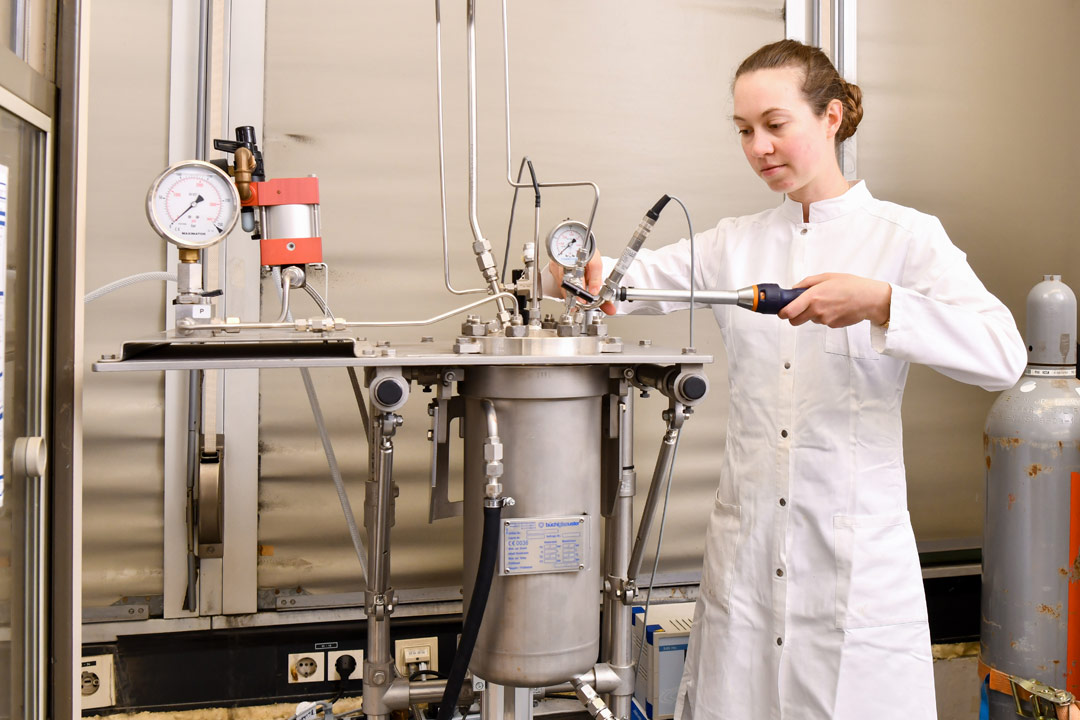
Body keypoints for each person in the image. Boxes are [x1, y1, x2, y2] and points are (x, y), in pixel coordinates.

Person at [552, 39, 1026, 720]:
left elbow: (1003, 354)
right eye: (745, 131)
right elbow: (619, 285)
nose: (758, 147)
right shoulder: (732, 243)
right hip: (746, 559)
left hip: (853, 563)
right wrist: (571, 271)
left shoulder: (905, 239)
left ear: (832, 116)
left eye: (776, 125)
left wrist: (882, 302)